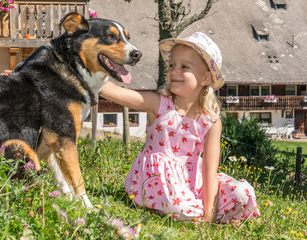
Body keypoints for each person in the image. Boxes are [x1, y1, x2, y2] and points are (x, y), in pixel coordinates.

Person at [99, 31, 260, 224]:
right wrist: (82, 64)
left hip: (194, 179)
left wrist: (209, 214)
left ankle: (205, 215)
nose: (174, 71)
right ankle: (198, 214)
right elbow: (112, 92)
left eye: (184, 67)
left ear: (206, 78)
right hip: (159, 179)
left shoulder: (211, 121)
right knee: (180, 207)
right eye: (172, 65)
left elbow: (210, 170)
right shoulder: (157, 103)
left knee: (243, 193)